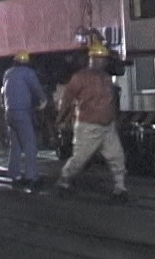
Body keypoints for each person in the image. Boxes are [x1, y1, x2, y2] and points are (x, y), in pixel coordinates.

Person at [55, 42, 128, 202]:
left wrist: (114, 120)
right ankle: (64, 180)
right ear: (92, 59)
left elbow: (111, 101)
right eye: (100, 58)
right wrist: (60, 118)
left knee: (117, 156)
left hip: (107, 126)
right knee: (80, 158)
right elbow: (67, 99)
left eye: (104, 59)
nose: (103, 62)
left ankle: (120, 187)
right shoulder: (80, 77)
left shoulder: (106, 78)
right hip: (88, 126)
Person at [2, 51, 47, 191]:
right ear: (27, 62)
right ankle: (32, 177)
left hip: (9, 113)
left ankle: (14, 175)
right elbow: (37, 89)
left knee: (15, 145)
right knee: (30, 144)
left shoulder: (7, 73)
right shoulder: (28, 73)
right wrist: (44, 100)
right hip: (22, 113)